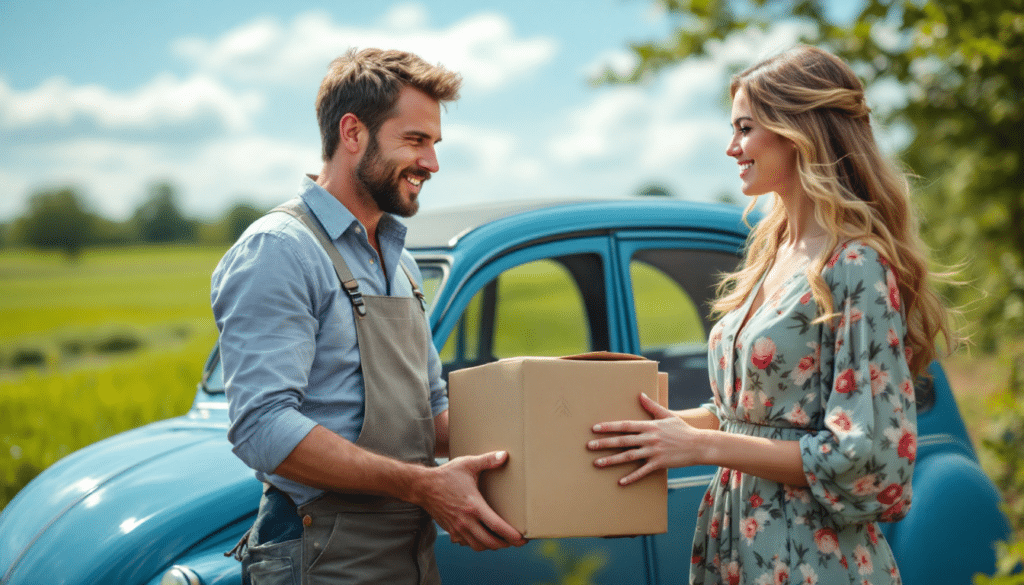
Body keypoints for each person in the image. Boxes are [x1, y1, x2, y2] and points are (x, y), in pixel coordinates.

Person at [587, 45, 955, 584]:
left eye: (744, 128)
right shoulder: (773, 251)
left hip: (811, 556)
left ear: (798, 130)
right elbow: (752, 415)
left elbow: (865, 456)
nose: (731, 147)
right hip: (735, 543)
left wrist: (701, 446)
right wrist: (652, 431)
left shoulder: (857, 263)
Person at [212, 47, 526, 585]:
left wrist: (547, 427)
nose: (432, 163)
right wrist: (424, 486)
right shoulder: (280, 249)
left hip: (406, 548)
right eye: (415, 140)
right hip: (319, 552)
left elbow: (429, 417)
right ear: (352, 133)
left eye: (434, 143)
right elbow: (262, 429)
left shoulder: (400, 262)